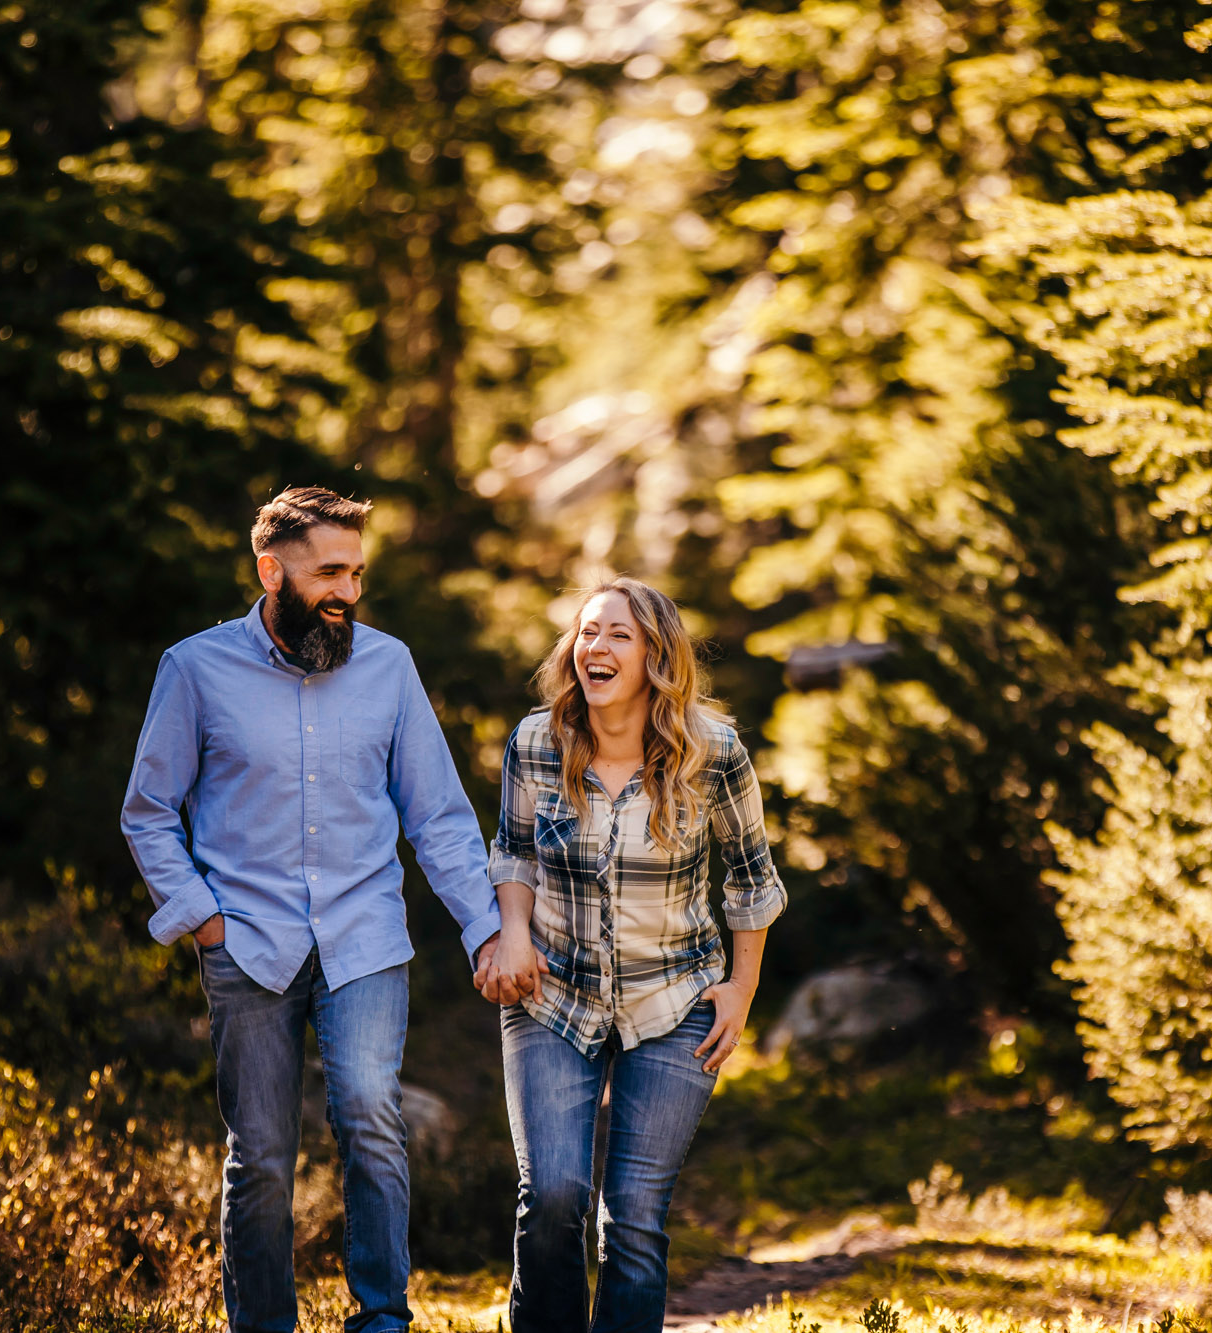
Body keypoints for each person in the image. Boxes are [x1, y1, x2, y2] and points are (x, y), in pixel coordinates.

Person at [121, 486, 502, 1333]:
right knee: (259, 1157)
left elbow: (437, 815)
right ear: (272, 569)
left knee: (372, 1115)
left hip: (364, 937)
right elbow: (148, 810)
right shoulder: (194, 669)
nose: (348, 592)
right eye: (330, 571)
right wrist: (202, 917)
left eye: (357, 572)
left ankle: (381, 1319)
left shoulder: (389, 666)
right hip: (246, 945)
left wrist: (485, 929)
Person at [478, 577, 787, 1333]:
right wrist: (513, 933)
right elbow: (513, 854)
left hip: (675, 999)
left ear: (657, 653)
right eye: (587, 632)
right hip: (552, 994)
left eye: (618, 634)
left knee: (636, 1220)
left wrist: (741, 991)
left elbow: (752, 879)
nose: (596, 648)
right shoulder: (536, 741)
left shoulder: (713, 750)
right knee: (551, 1196)